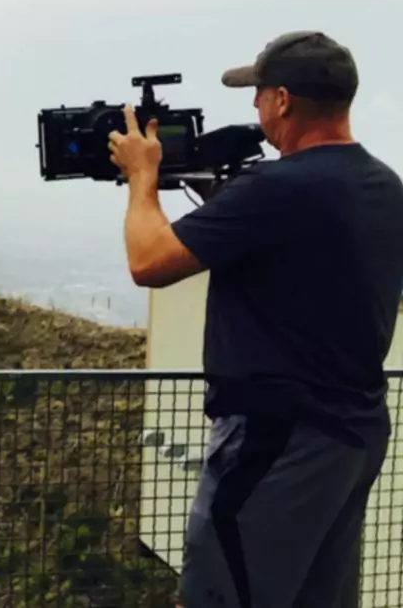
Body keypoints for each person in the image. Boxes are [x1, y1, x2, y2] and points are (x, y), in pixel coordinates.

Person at [107, 30, 403, 608]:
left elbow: (149, 262)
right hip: (352, 432)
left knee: (225, 592)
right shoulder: (383, 185)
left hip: (277, 438)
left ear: (285, 100)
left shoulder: (277, 188)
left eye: (261, 92)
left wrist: (143, 179)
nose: (254, 105)